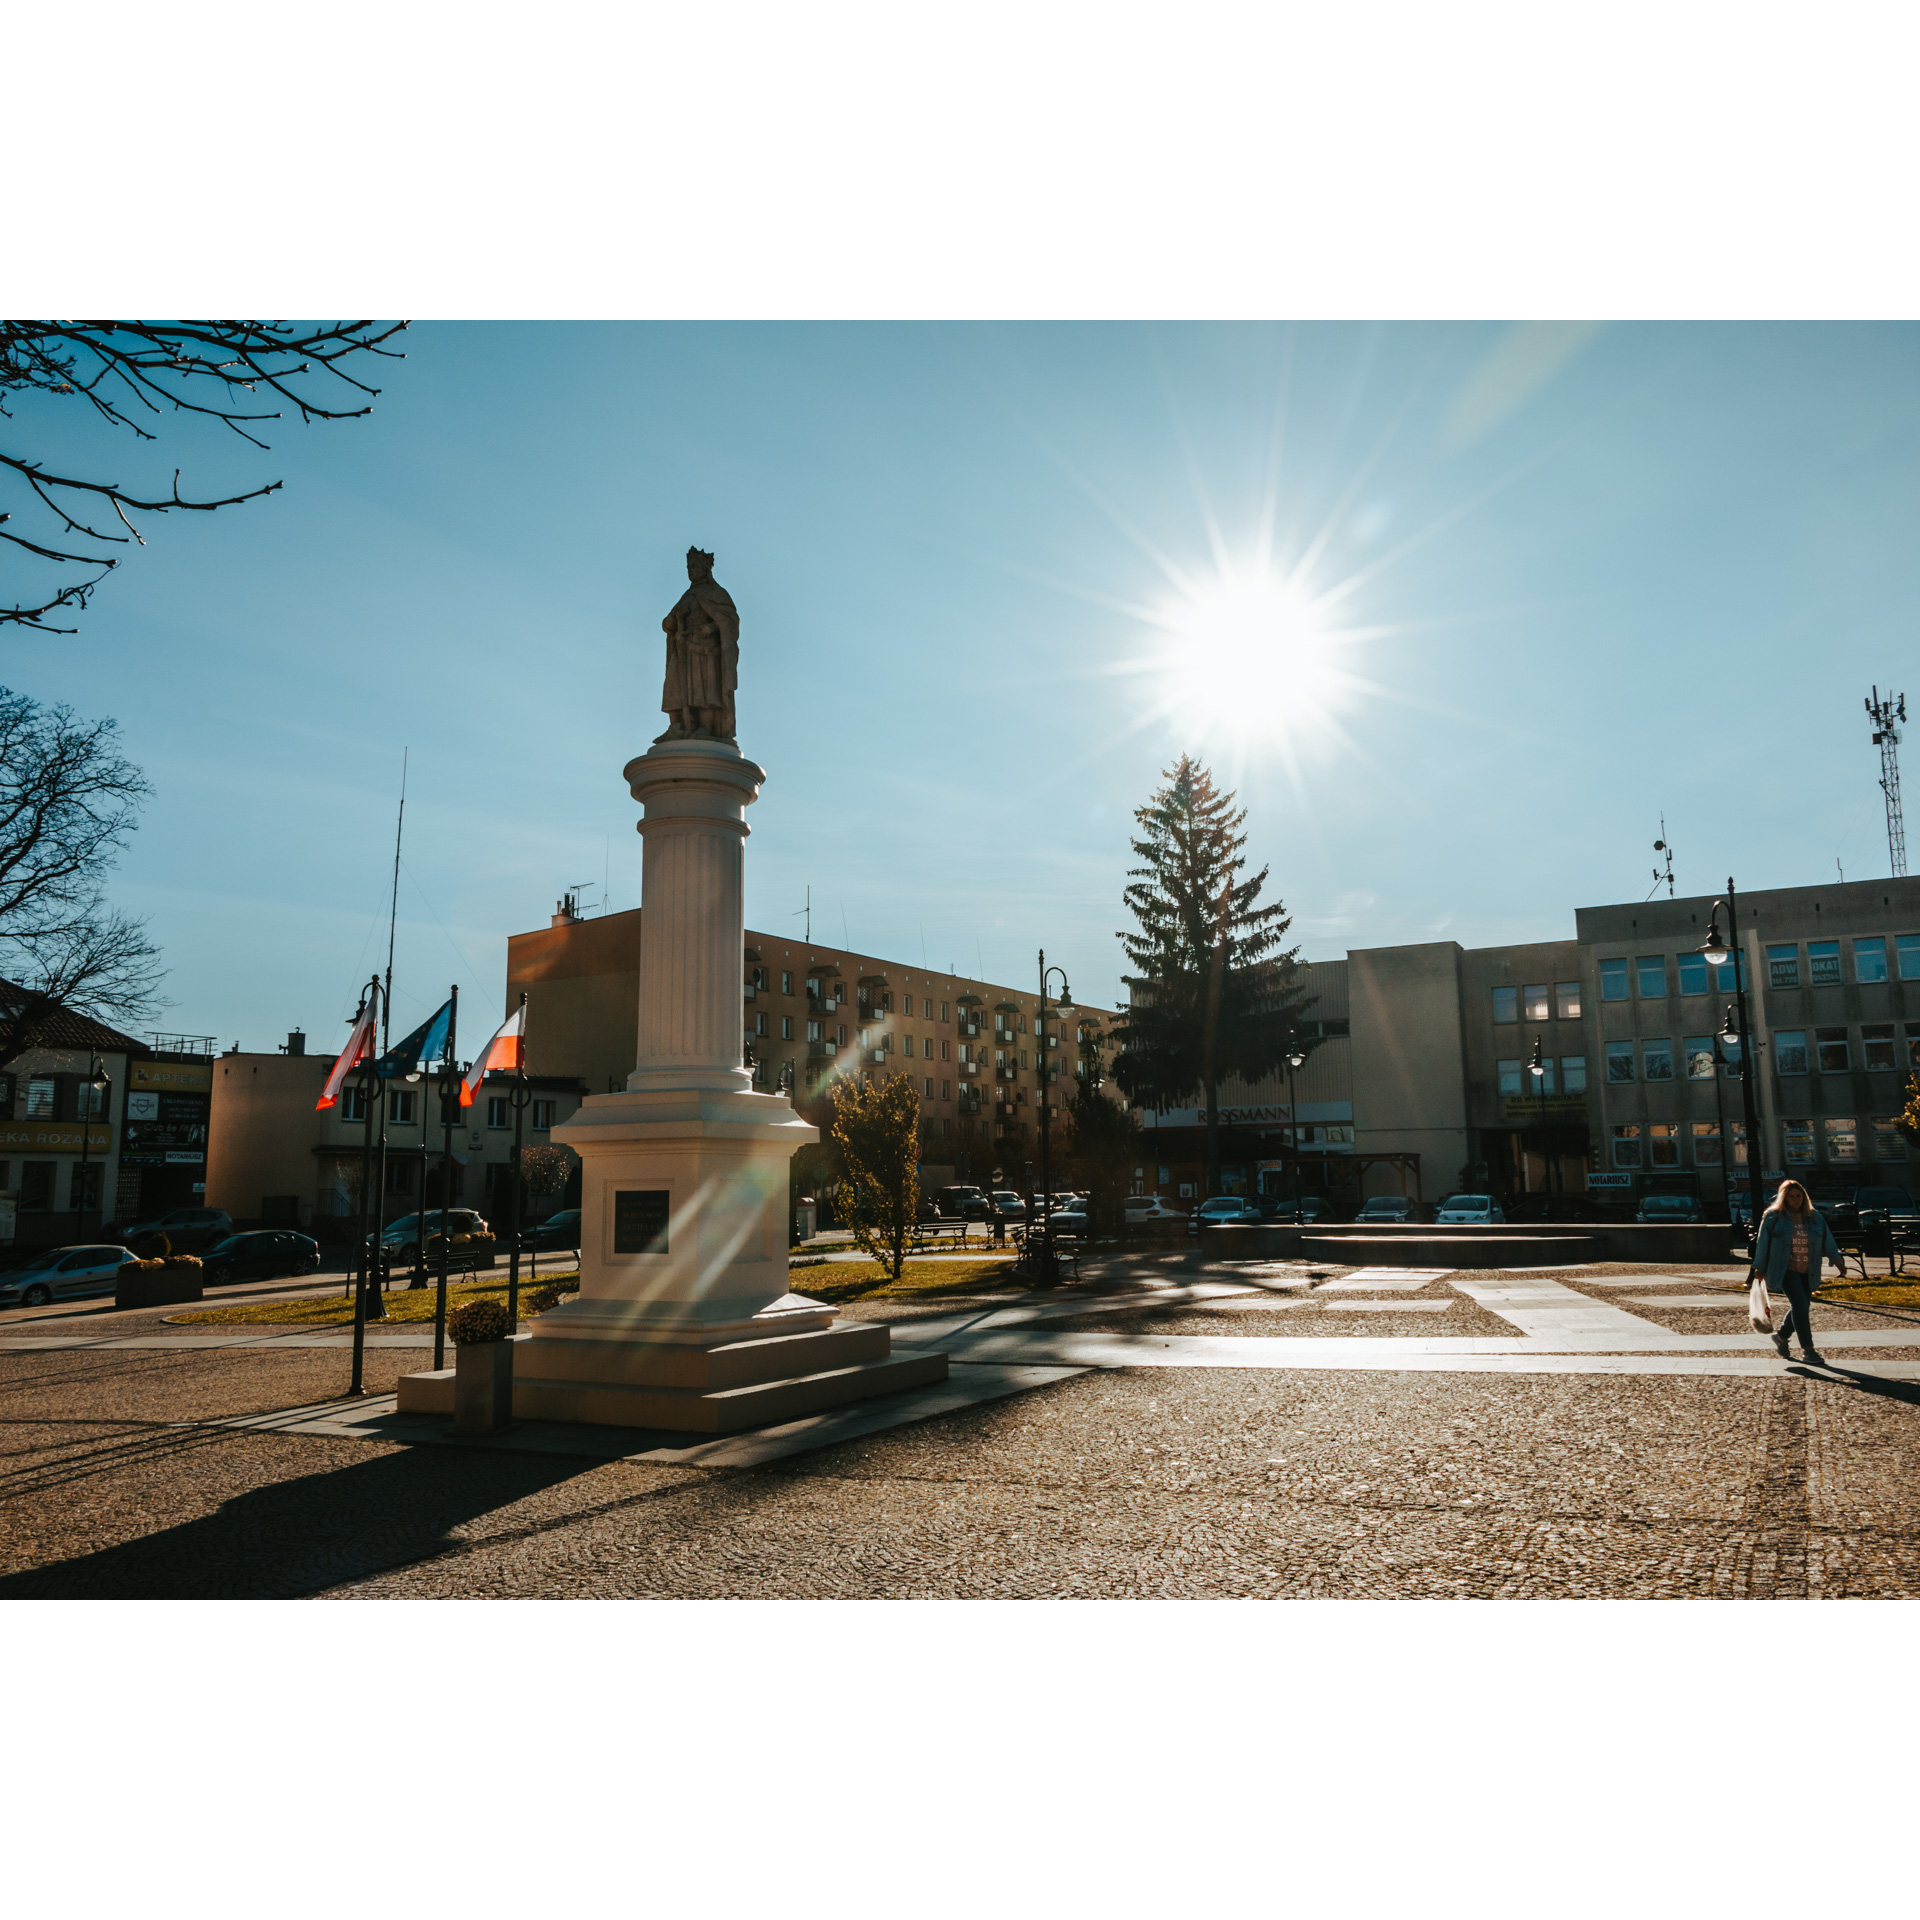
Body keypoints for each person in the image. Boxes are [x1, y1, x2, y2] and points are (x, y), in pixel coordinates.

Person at [1749, 1179, 1842, 1365]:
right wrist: (1758, 1268)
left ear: (1804, 1197)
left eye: (1798, 1196)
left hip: (1809, 1270)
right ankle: (1809, 1350)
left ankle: (1782, 1337)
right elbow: (1763, 1242)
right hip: (1784, 1269)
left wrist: (1837, 1259)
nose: (1795, 1199)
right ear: (1784, 1198)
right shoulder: (1773, 1217)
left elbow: (1827, 1239)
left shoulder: (1815, 1217)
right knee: (1800, 1305)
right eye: (1791, 1196)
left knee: (1801, 1306)